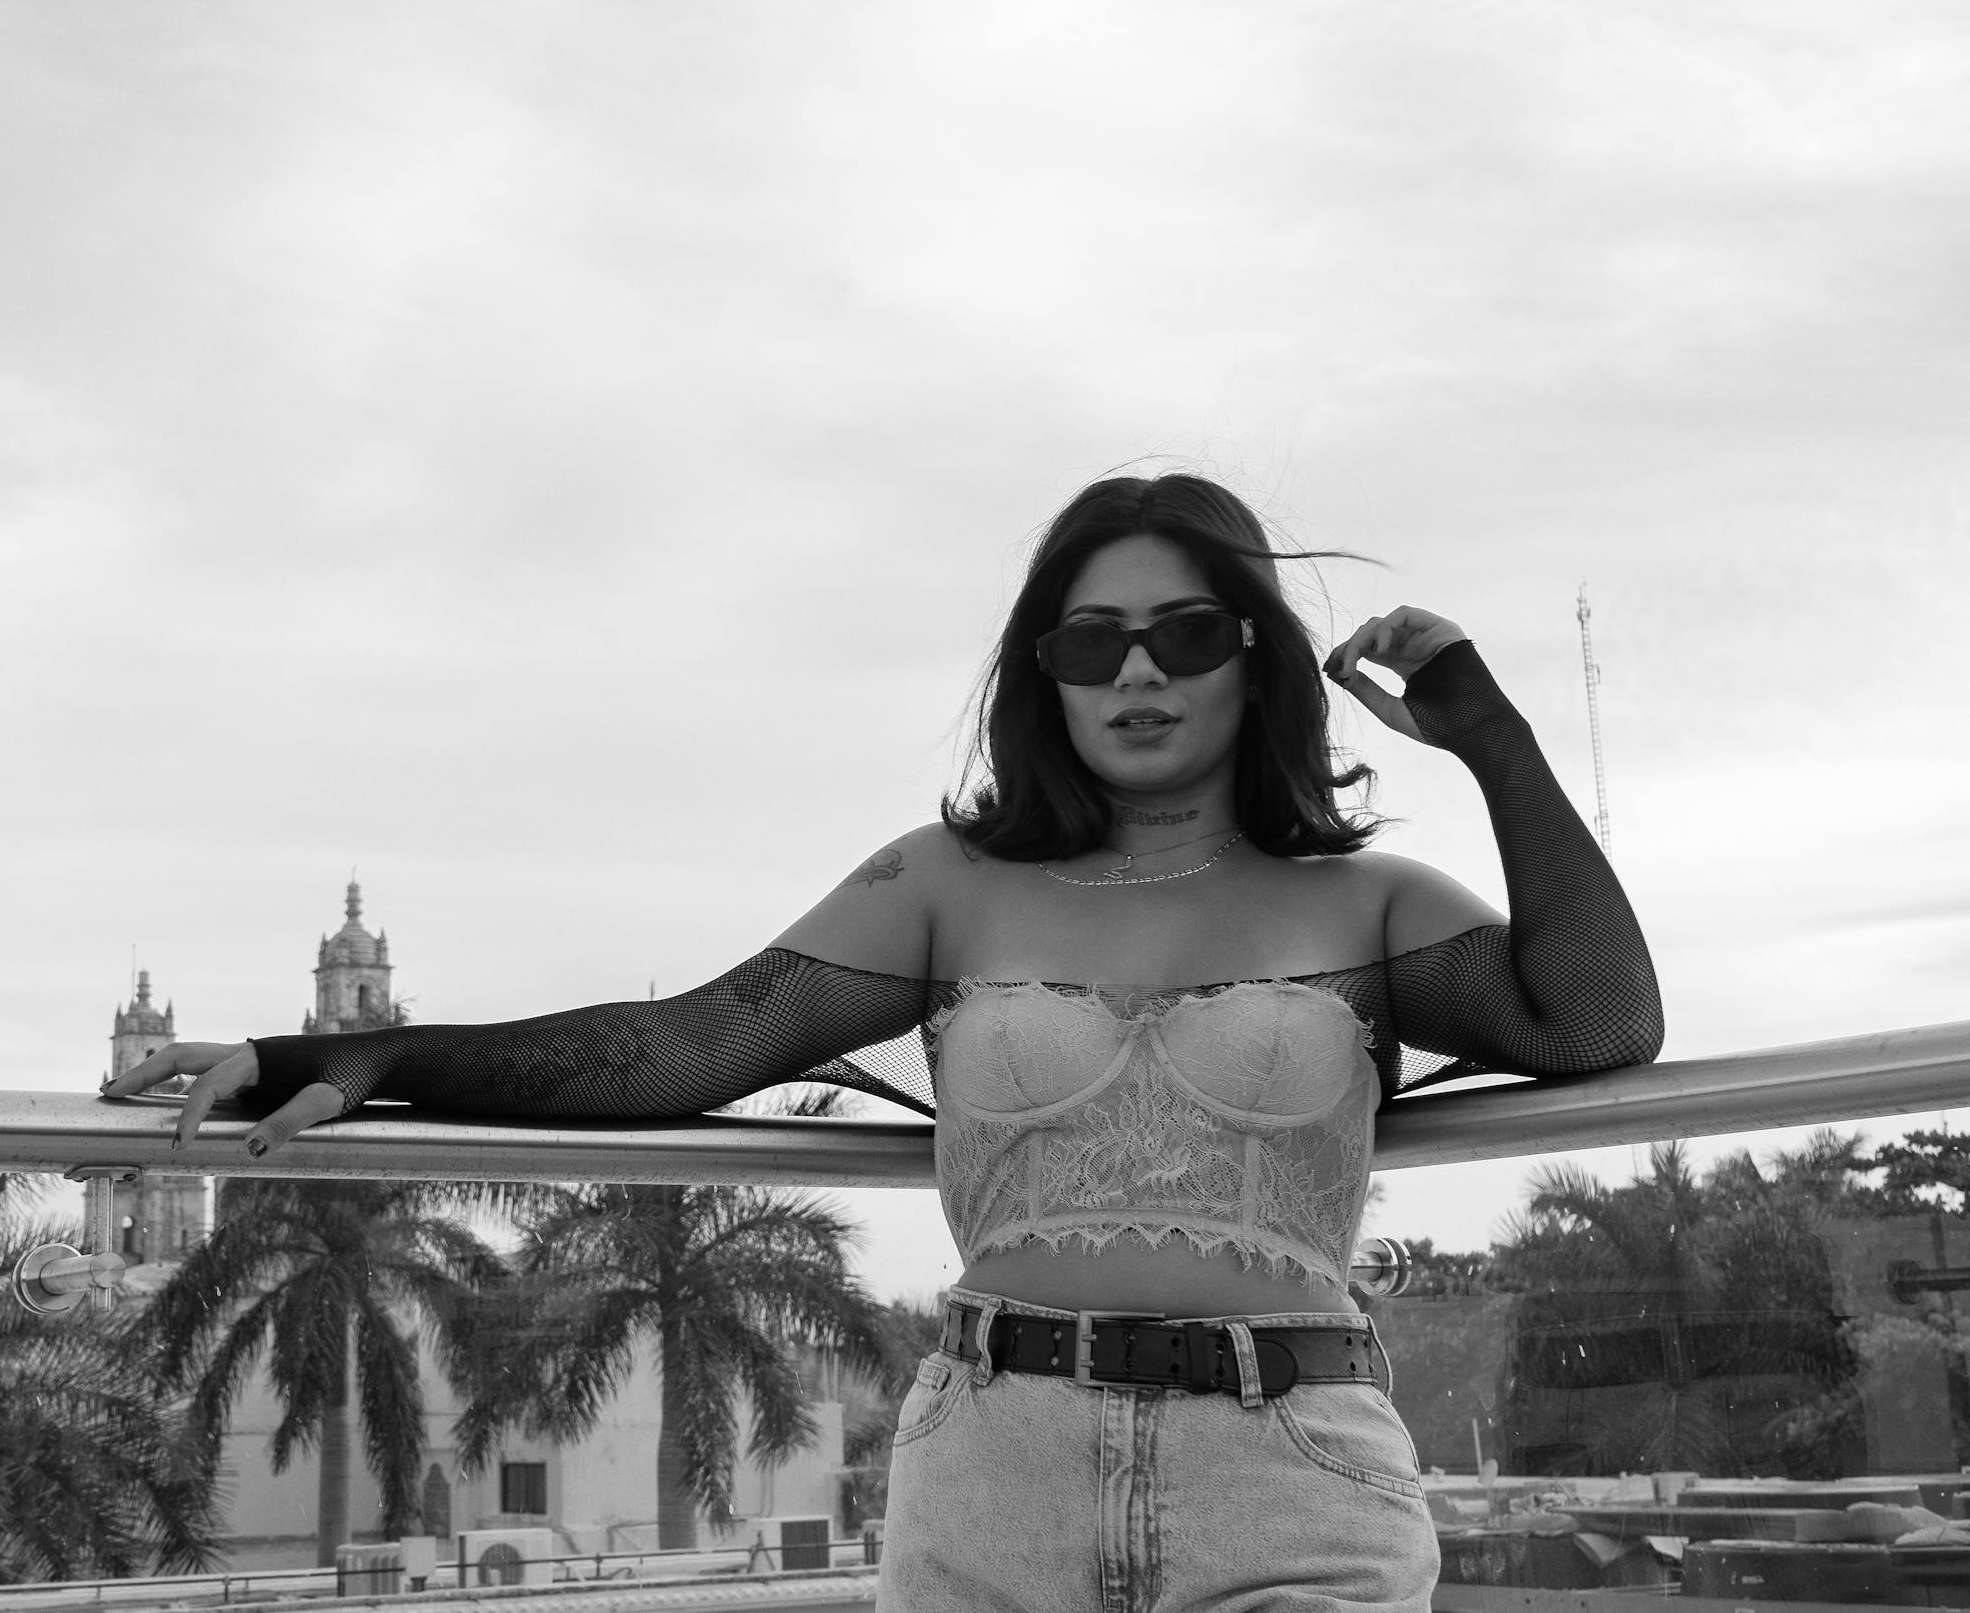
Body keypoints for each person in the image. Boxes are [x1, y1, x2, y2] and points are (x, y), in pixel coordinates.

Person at [102, 472, 1662, 1611]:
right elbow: (680, 1047)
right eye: (1087, 641)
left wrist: (1490, 733)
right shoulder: (945, 885)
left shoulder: (1372, 901)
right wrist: (359, 1055)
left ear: (1254, 654)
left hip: (1296, 1489)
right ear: (1037, 676)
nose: (1135, 672)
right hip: (993, 1484)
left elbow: (1596, 1021)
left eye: (1185, 636)